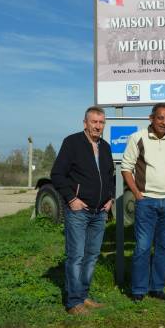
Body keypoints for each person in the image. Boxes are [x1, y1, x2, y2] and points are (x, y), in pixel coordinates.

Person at [51, 106, 114, 315]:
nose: (98, 126)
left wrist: (110, 198)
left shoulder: (105, 147)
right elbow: (57, 174)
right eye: (94, 122)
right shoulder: (72, 143)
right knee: (76, 256)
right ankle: (73, 302)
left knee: (91, 256)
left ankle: (84, 296)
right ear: (85, 123)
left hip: (99, 212)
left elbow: (110, 175)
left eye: (101, 122)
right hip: (79, 211)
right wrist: (71, 198)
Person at [121, 103, 165, 301]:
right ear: (151, 118)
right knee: (143, 246)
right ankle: (138, 290)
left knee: (164, 247)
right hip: (146, 201)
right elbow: (126, 168)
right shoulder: (137, 138)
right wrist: (137, 194)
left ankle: (157, 287)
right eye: (160, 118)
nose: (164, 122)